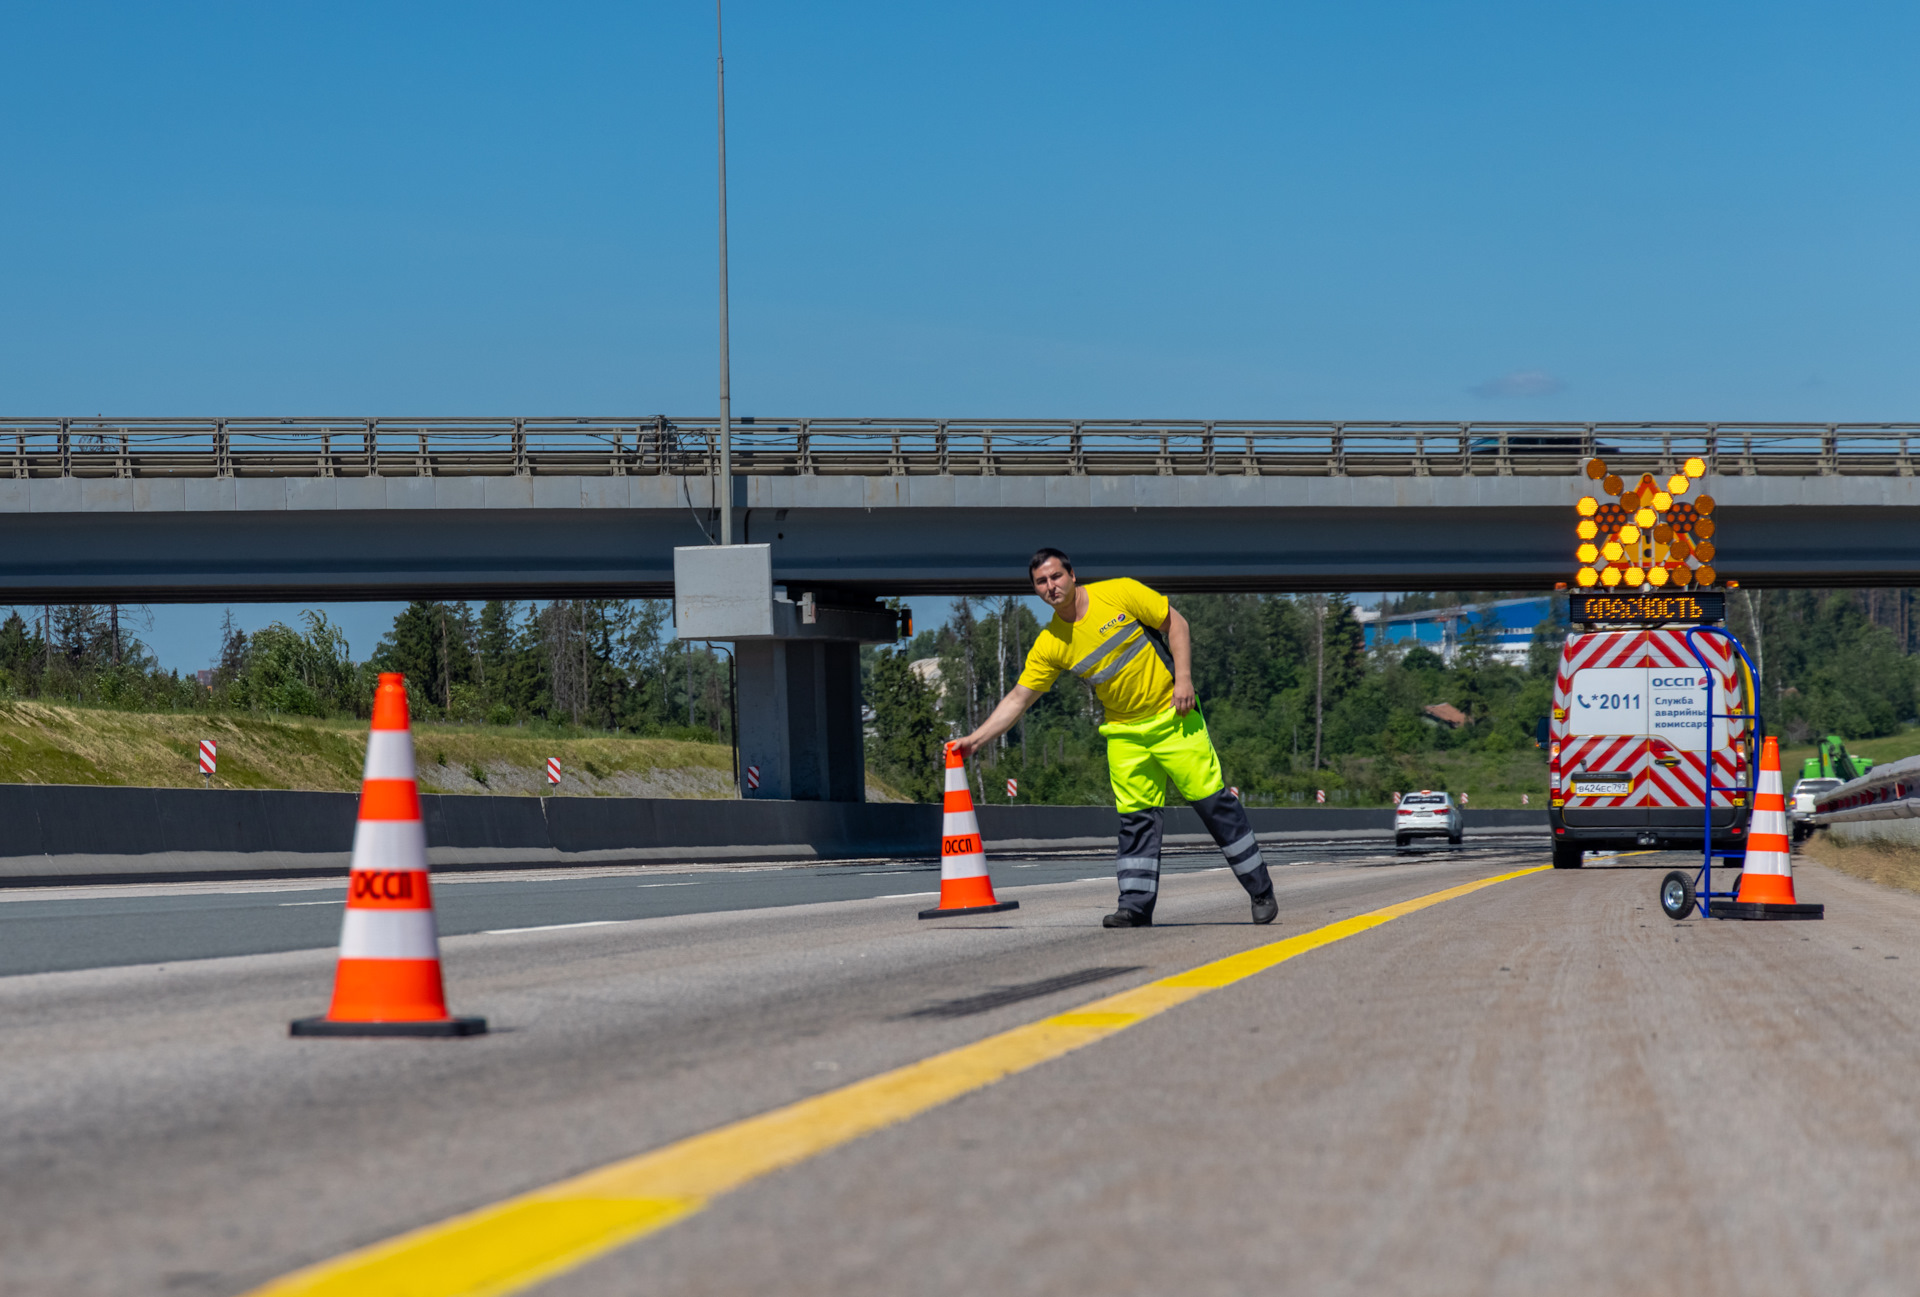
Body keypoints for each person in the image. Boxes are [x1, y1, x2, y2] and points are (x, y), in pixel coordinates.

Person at [953, 548, 1277, 928]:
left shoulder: (1119, 593)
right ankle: (1135, 907)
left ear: (1072, 575)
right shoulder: (1052, 643)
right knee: (1135, 820)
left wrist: (1184, 678)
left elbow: (1177, 625)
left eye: (1056, 576)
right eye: (1041, 582)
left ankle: (1261, 891)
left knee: (1214, 805)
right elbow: (1019, 698)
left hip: (1174, 717)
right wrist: (977, 739)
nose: (1050, 587)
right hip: (1124, 733)